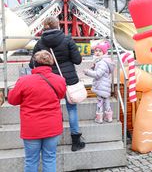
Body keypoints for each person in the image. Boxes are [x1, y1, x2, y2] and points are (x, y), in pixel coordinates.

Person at [29, 16, 85, 152]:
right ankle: (76, 141)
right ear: (57, 25)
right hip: (68, 79)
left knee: (52, 109)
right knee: (72, 109)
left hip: (49, 80)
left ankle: (51, 142)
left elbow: (32, 64)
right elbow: (77, 60)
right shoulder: (67, 39)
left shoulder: (40, 43)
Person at [9, 50, 66, 172]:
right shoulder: (59, 80)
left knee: (31, 160)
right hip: (52, 125)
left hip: (31, 127)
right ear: (51, 64)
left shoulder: (24, 81)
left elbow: (12, 100)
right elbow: (61, 95)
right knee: (50, 158)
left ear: (34, 64)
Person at [84, 42, 115, 123]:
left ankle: (99, 117)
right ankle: (109, 117)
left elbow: (98, 74)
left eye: (100, 51)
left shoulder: (102, 63)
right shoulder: (103, 62)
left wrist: (87, 72)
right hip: (105, 84)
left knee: (100, 101)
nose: (97, 53)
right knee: (106, 100)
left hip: (101, 85)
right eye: (96, 51)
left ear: (104, 52)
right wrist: (94, 67)